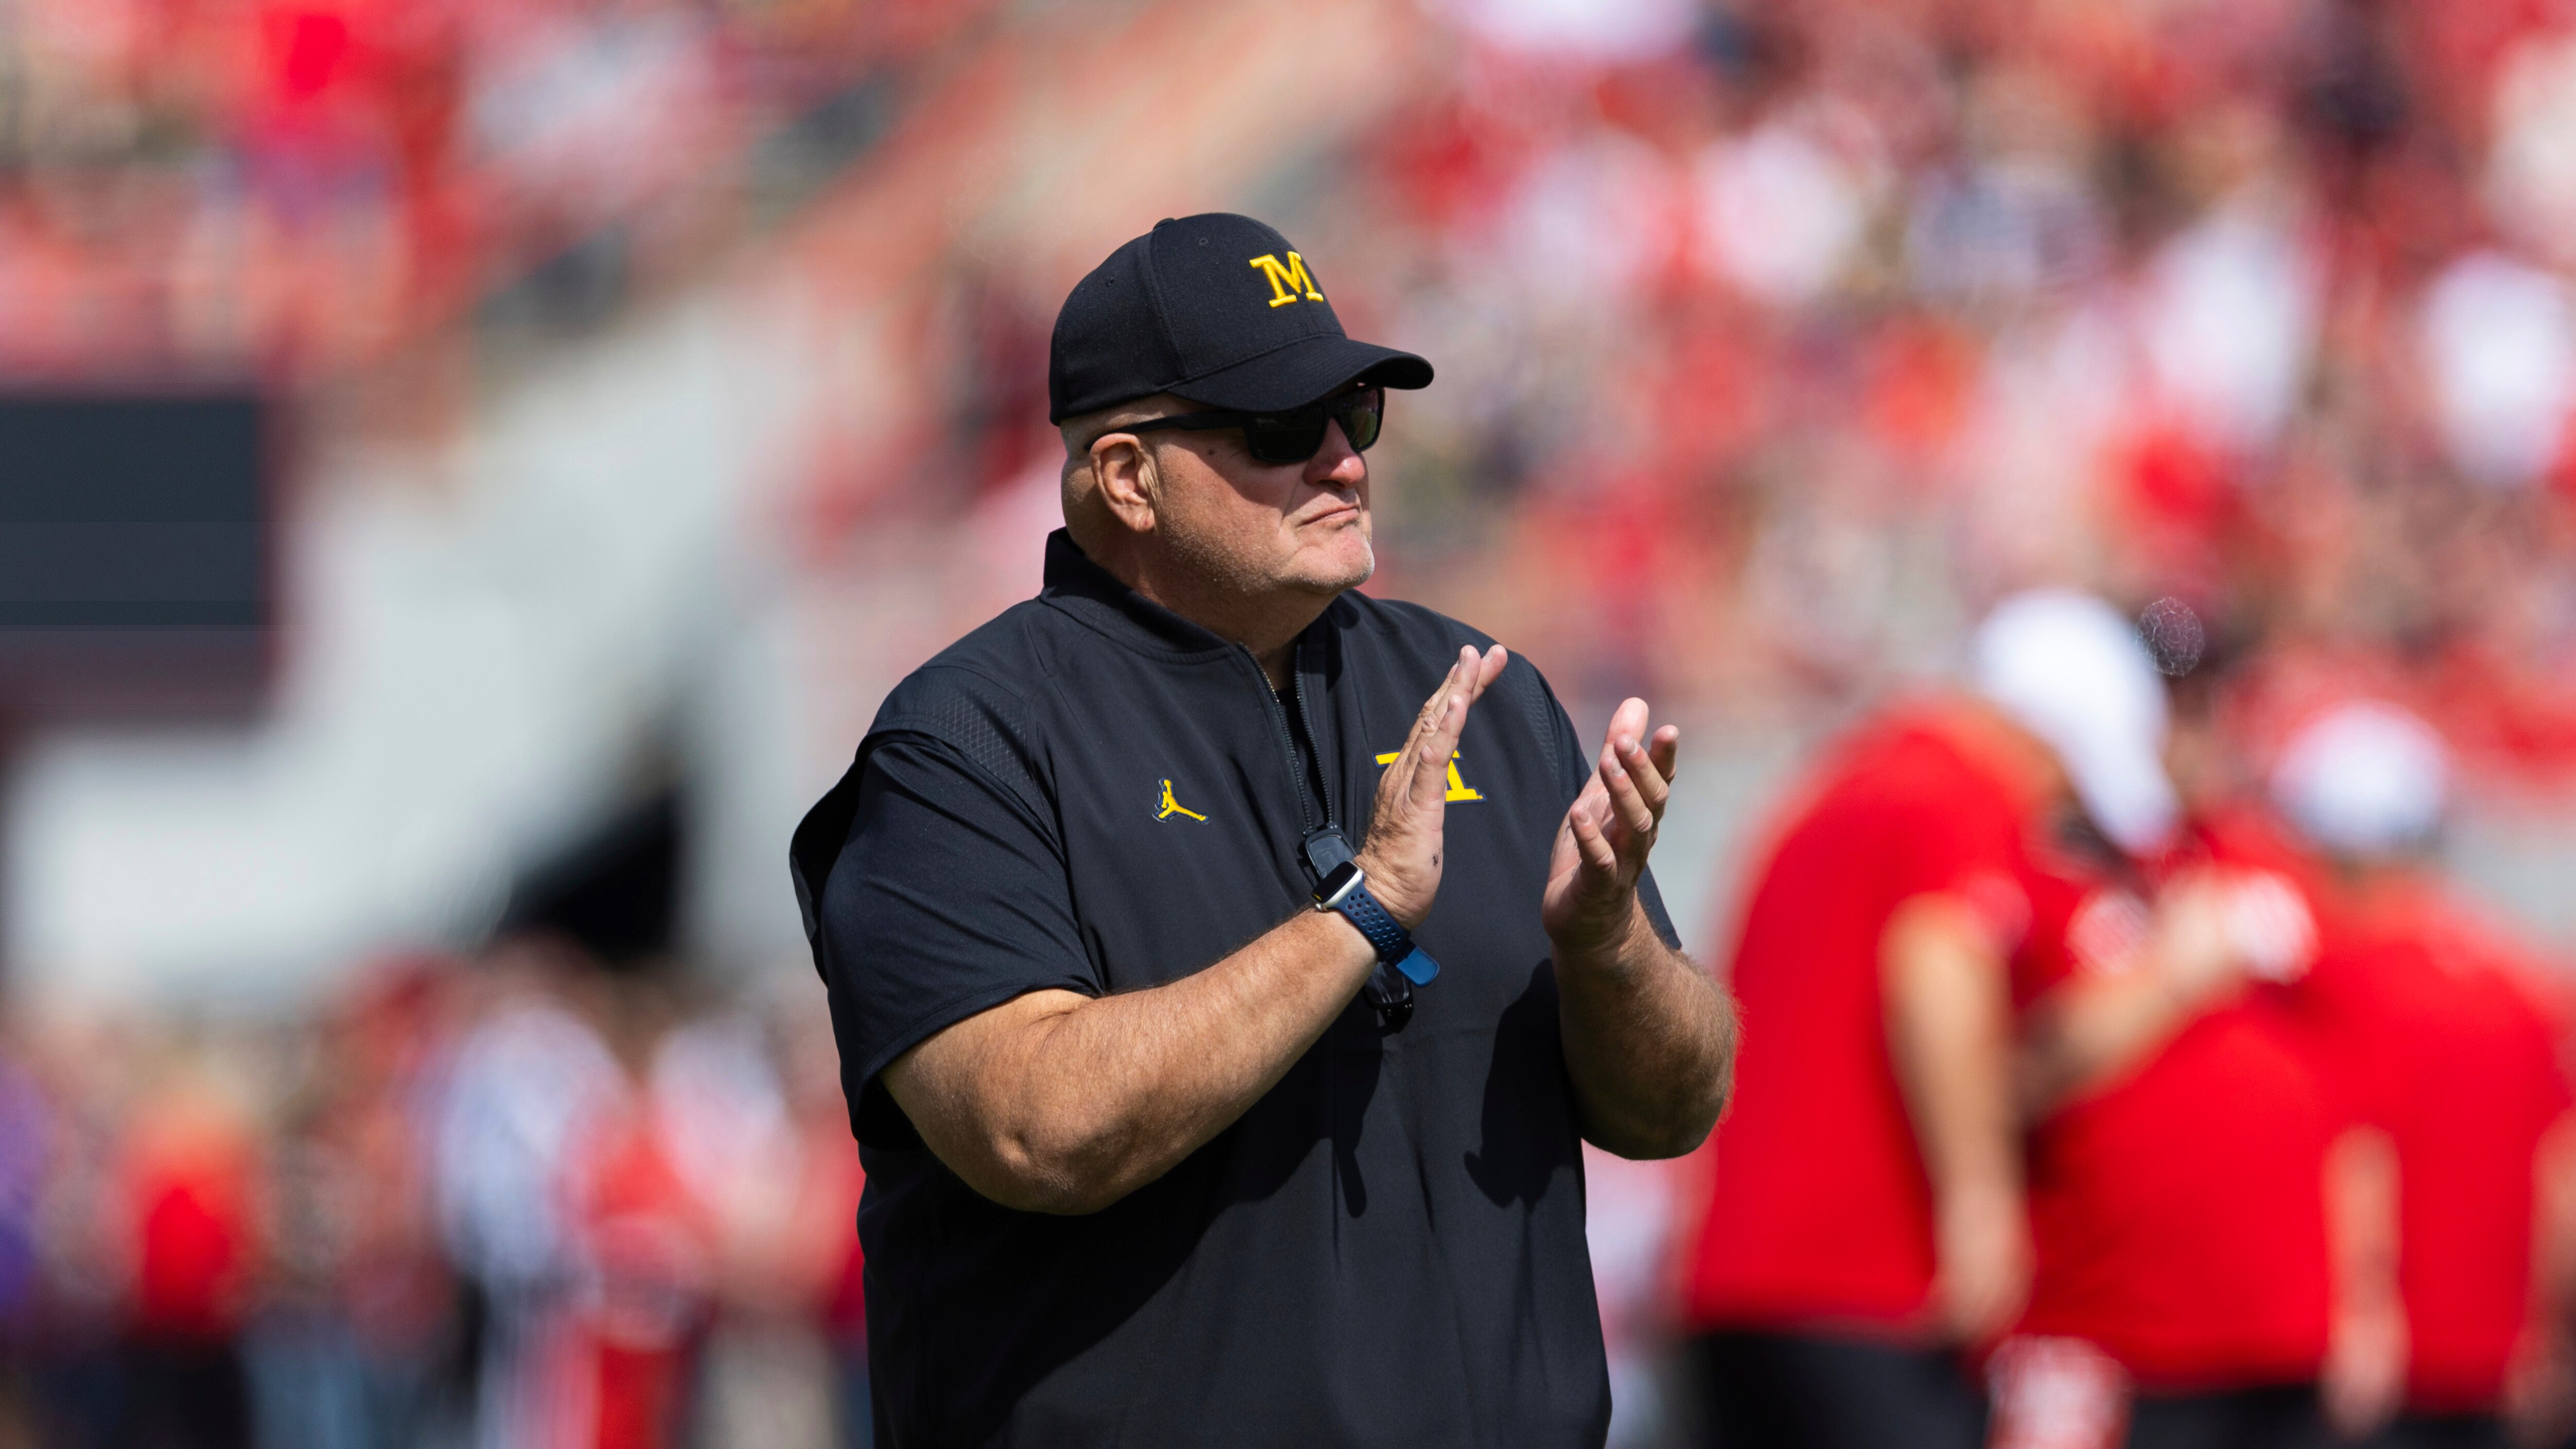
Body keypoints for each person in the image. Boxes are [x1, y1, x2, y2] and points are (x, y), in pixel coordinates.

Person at [789, 213, 1738, 1446]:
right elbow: (1032, 1126)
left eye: (1359, 415)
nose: (1344, 461)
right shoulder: (966, 743)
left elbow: (1675, 1111)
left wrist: (1608, 945)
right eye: (1284, 429)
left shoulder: (1476, 696)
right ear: (1127, 476)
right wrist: (1359, 917)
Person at [1680, 590, 2206, 1448]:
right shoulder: (1955, 795)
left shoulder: (1843, 785)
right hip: (1867, 1286)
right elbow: (1939, 960)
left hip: (1741, 1284)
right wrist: (1979, 1198)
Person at [2265, 702, 2575, 1449]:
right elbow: (2559, 1177)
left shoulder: (2340, 978)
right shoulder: (2517, 981)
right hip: (2503, 1366)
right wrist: (2550, 1339)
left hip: (2375, 1368)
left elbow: (2359, 1150)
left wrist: (2363, 1308)